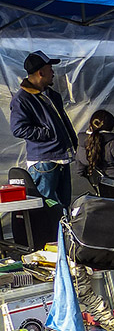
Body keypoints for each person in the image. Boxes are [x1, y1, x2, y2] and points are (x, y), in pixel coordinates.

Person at [10, 50, 79, 211]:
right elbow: (18, 128)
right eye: (50, 69)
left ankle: (62, 228)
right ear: (41, 73)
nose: (53, 73)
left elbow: (63, 122)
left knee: (63, 206)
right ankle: (49, 228)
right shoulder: (22, 99)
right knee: (47, 208)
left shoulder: (51, 95)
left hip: (61, 159)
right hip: (44, 162)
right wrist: (47, 133)